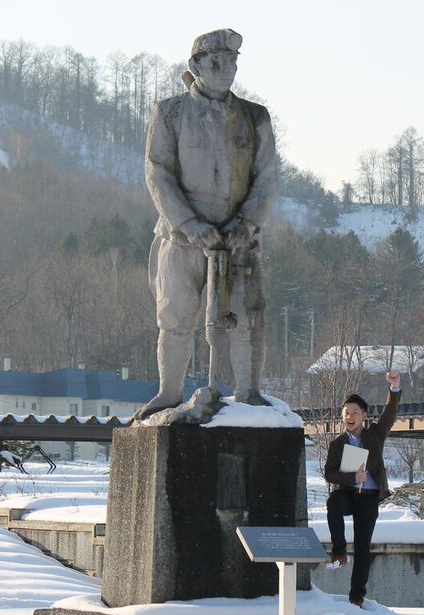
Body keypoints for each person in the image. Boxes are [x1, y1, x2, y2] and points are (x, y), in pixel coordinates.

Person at [133, 28, 277, 420]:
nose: (226, 69)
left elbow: (266, 178)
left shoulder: (254, 116)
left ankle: (249, 393)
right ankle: (168, 393)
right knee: (176, 316)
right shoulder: (171, 112)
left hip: (237, 241)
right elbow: (158, 173)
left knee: (248, 317)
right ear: (196, 65)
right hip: (182, 239)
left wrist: (246, 224)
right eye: (217, 62)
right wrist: (189, 223)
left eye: (232, 62)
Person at [324, 371, 401, 607]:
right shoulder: (338, 443)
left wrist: (394, 389)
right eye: (346, 413)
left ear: (364, 416)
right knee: (332, 504)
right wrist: (351, 477)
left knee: (363, 546)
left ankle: (357, 595)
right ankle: (339, 551)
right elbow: (329, 473)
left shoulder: (375, 435)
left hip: (368, 497)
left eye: (355, 413)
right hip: (346, 493)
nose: (350, 417)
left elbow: (390, 414)